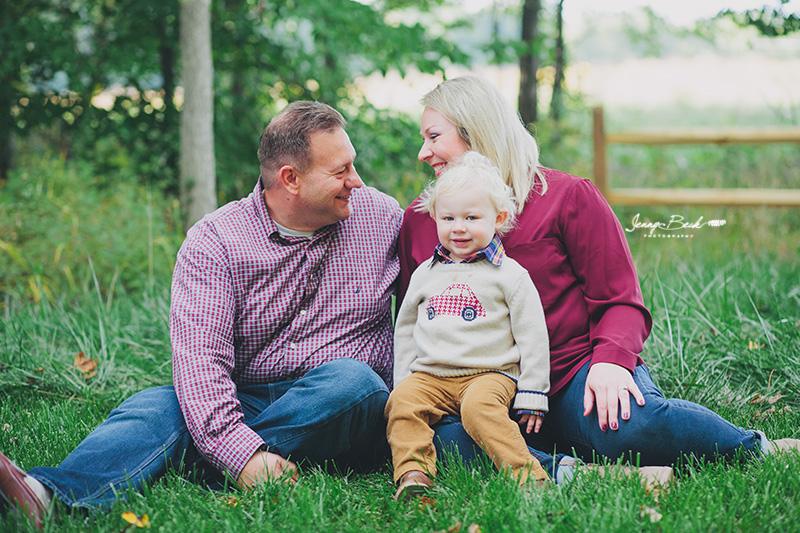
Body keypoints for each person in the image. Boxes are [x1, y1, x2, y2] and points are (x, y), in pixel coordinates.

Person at [0, 101, 403, 530]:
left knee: (354, 381)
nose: (356, 181)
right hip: (246, 394)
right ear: (291, 179)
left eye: (352, 165)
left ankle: (187, 459)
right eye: (340, 171)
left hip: (345, 406)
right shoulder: (215, 241)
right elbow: (201, 363)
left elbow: (459, 236)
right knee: (159, 404)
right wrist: (240, 451)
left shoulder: (382, 217)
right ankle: (49, 497)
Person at [398, 75, 800, 475]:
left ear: (477, 130)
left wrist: (610, 363)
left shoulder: (566, 196)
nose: (423, 152)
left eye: (434, 136)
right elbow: (412, 320)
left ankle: (756, 448)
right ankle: (574, 473)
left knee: (628, 426)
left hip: (569, 373)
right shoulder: (422, 221)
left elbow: (621, 299)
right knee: (442, 441)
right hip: (473, 388)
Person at [386, 151, 550, 500]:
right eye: (448, 218)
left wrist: (534, 391)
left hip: (490, 374)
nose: (458, 227)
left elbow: (533, 334)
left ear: (499, 217)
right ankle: (414, 472)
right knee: (402, 404)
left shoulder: (510, 275)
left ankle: (527, 477)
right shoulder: (425, 274)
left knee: (479, 410)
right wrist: (404, 378)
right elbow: (405, 329)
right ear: (435, 218)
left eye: (472, 217)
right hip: (430, 376)